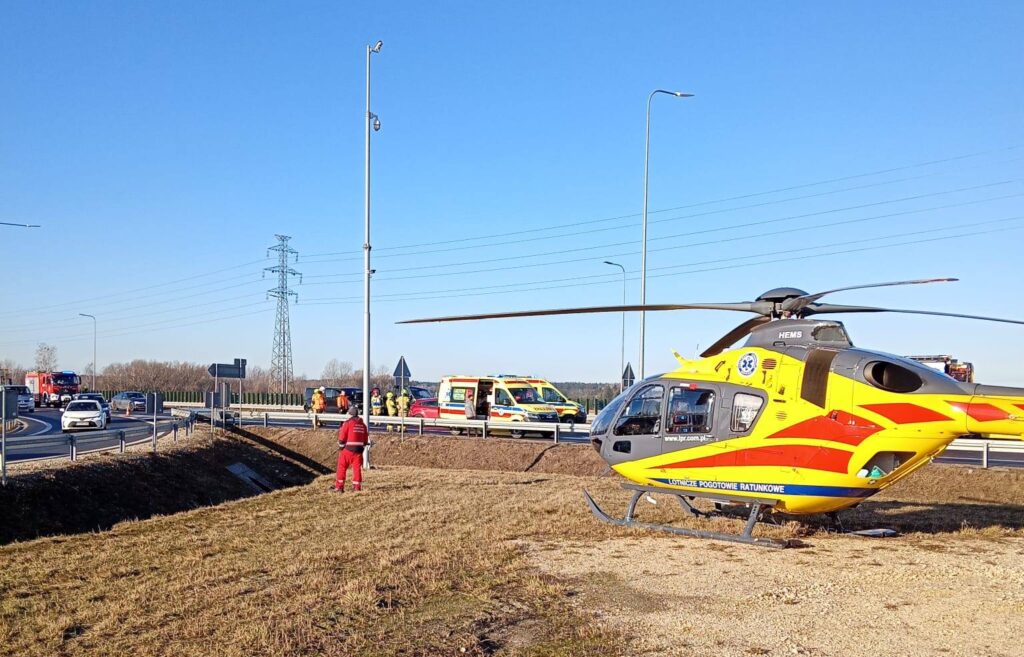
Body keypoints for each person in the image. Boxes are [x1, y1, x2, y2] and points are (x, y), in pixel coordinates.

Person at [332, 406, 367, 492]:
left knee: (342, 466)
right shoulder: (363, 425)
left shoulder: (347, 423)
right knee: (356, 468)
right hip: (359, 450)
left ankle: (339, 486)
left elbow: (342, 437)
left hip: (348, 450)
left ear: (350, 414)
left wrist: (341, 446)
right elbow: (365, 439)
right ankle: (357, 487)